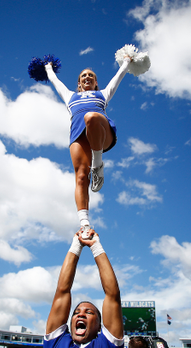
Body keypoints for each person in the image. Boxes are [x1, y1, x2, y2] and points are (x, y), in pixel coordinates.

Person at [45, 57, 131, 235]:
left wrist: (127, 61)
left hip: (102, 134)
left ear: (96, 82)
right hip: (78, 136)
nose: (87, 77)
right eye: (84, 75)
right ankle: (84, 223)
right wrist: (48, 68)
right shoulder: (70, 96)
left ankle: (97, 164)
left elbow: (119, 76)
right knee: (81, 178)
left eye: (91, 75)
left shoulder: (103, 94)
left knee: (90, 117)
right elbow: (55, 81)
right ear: (79, 83)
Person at [44, 228, 124, 348]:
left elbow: (112, 295)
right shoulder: (56, 343)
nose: (80, 314)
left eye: (89, 312)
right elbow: (62, 291)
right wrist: (76, 246)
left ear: (100, 326)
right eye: (76, 313)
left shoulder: (107, 347)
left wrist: (96, 247)